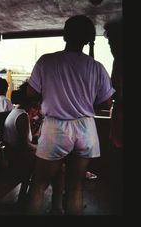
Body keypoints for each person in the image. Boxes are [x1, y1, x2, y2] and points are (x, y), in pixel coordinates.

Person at [25, 15, 115, 215]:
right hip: (86, 128)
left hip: (55, 127)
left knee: (39, 185)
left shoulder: (47, 61)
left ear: (65, 35)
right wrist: (85, 100)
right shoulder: (97, 67)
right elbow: (107, 102)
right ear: (88, 40)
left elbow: (31, 93)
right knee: (76, 187)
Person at [3, 82, 65, 214]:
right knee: (57, 166)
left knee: (53, 162)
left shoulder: (16, 112)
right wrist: (41, 148)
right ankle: (55, 205)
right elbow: (25, 145)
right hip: (19, 160)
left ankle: (38, 198)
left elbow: (26, 141)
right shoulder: (22, 116)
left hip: (14, 156)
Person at [104, 19, 123, 149]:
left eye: (114, 42)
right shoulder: (117, 61)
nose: (111, 47)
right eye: (110, 44)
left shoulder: (120, 61)